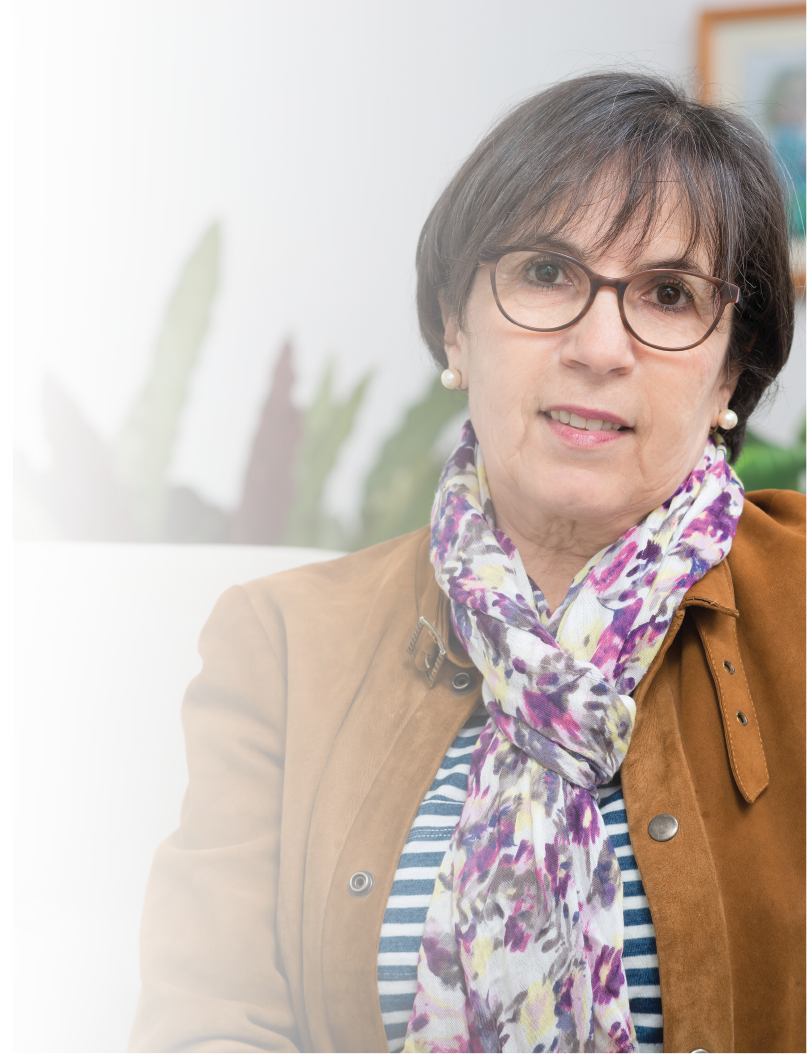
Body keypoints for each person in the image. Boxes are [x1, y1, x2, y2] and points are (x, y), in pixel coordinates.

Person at [129, 72, 804, 1054]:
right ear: (456, 324)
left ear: (731, 370)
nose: (599, 346)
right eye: (547, 274)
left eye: (668, 295)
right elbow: (205, 1020)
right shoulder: (281, 644)